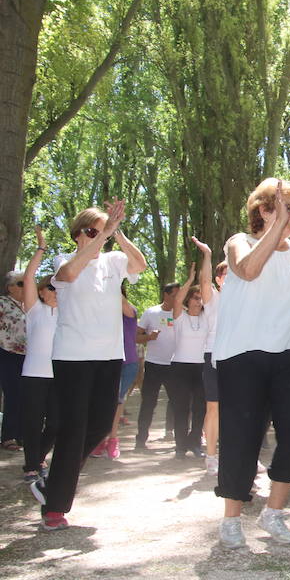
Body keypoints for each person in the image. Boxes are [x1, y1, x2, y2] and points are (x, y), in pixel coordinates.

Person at [212, 178, 290, 548]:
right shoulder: (240, 241)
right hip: (242, 355)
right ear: (264, 209)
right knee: (242, 438)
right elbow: (248, 270)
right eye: (286, 206)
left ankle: (274, 513)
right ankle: (232, 519)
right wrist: (274, 229)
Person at [32, 200, 146, 530]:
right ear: (79, 234)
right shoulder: (64, 261)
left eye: (104, 232)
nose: (103, 238)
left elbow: (139, 265)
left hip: (108, 356)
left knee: (98, 427)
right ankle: (55, 508)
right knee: (73, 428)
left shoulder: (113, 260)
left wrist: (117, 232)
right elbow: (67, 275)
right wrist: (102, 235)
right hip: (73, 357)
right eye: (95, 231)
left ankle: (53, 481)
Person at [20, 226, 58, 482]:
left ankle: (39, 456)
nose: (55, 292)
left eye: (58, 289)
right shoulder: (35, 310)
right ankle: (31, 465)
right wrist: (41, 246)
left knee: (56, 423)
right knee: (33, 423)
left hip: (60, 376)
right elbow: (29, 274)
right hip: (34, 374)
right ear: (42, 292)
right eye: (51, 288)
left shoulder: (68, 314)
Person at [170, 240, 213, 459]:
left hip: (200, 367)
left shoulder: (207, 318)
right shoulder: (180, 317)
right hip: (179, 367)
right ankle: (180, 446)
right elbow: (177, 300)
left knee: (199, 408)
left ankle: (195, 443)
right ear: (189, 299)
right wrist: (189, 280)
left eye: (200, 298)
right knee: (181, 408)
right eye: (195, 298)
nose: (199, 300)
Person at [93, 287, 139, 460]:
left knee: (117, 401)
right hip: (105, 361)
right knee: (106, 402)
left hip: (127, 363)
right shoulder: (100, 312)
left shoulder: (129, 310)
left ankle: (111, 439)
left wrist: (111, 284)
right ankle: (101, 439)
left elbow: (127, 309)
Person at [134, 282, 180, 451]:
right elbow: (135, 337)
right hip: (154, 365)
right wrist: (148, 337)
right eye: (174, 294)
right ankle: (141, 440)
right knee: (148, 403)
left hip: (175, 365)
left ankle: (177, 438)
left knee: (178, 402)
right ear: (166, 294)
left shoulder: (182, 313)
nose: (177, 298)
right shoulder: (151, 313)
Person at [202, 259, 228, 474]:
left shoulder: (246, 299)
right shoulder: (213, 297)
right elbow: (203, 282)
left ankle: (242, 456)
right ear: (218, 280)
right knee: (214, 407)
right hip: (214, 355)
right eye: (227, 275)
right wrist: (207, 256)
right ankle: (211, 456)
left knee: (241, 408)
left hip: (238, 355)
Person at [0, 269, 27, 451]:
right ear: (10, 288)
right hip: (5, 352)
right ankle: (8, 436)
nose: (25, 287)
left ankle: (20, 434)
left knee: (23, 395)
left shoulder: (29, 305)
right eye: (20, 283)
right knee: (12, 394)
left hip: (26, 355)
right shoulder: (2, 303)